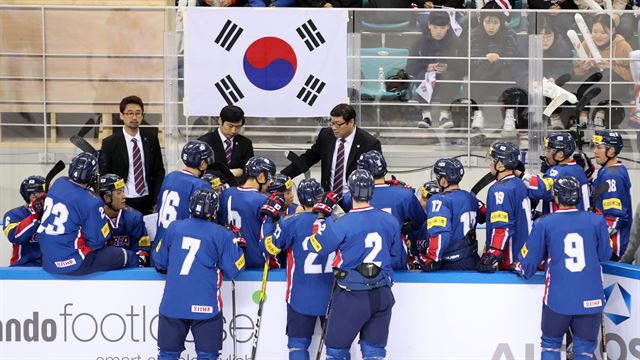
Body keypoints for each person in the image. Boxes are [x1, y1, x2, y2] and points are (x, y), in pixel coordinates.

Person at [513, 176, 612, 360]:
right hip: (591, 298)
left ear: (556, 197)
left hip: (557, 298)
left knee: (550, 347)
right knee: (584, 350)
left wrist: (519, 268)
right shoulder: (597, 221)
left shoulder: (545, 223)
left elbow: (527, 264)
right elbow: (605, 255)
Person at [307, 169, 401, 360]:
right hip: (382, 294)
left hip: (351, 297)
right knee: (374, 354)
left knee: (336, 353)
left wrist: (320, 218)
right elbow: (396, 256)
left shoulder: (342, 222)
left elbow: (315, 246)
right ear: (371, 192)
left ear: (350, 191)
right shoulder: (390, 221)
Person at [154, 188, 245, 360]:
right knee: (207, 356)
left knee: (167, 355)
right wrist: (238, 248)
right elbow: (234, 270)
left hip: (173, 304)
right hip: (206, 306)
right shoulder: (222, 234)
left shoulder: (174, 228)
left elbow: (159, 260)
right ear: (214, 210)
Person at [259, 178, 334, 360]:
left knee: (298, 346)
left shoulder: (290, 223)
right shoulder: (335, 222)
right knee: (336, 348)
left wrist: (269, 218)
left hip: (300, 294)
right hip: (332, 296)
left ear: (300, 198)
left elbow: (269, 248)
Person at [38, 152, 141, 275]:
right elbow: (98, 242)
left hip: (47, 261)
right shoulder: (92, 201)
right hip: (73, 263)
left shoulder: (58, 183)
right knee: (126, 255)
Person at [343, 150, 426, 269]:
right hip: (394, 256)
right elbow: (421, 222)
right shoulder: (404, 194)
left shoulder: (350, 197)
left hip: (361, 258)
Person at [281, 103, 382, 194]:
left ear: (351, 122)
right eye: (332, 123)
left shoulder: (369, 143)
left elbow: (377, 175)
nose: (334, 128)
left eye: (338, 124)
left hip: (354, 198)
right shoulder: (326, 135)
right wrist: (283, 176)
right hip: (328, 197)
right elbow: (308, 158)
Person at [100, 95, 165, 215]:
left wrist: (156, 199)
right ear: (121, 116)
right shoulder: (110, 143)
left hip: (147, 200)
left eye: (138, 113)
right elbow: (104, 174)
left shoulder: (151, 138)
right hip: (122, 201)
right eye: (130, 113)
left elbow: (158, 171)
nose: (134, 117)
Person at [420, 158, 486, 271]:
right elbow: (486, 215)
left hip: (451, 264)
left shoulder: (439, 200)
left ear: (444, 181)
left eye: (438, 177)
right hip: (473, 260)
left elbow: (439, 232)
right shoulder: (472, 198)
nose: (436, 180)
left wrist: (432, 257)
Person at [477, 141, 532, 272]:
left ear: (501, 165)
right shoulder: (519, 183)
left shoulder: (500, 189)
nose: (489, 163)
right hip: (524, 256)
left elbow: (502, 225)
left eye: (491, 159)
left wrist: (494, 252)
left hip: (512, 261)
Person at [153, 140, 213, 260]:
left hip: (159, 247)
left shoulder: (170, 176)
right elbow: (201, 226)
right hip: (180, 250)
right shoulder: (200, 186)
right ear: (202, 163)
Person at [406, 11, 465, 128]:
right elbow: (410, 68)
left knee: (450, 75)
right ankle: (426, 116)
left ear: (448, 26)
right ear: (429, 25)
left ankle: (444, 116)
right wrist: (426, 67)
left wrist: (449, 66)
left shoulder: (457, 43)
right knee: (422, 75)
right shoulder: (419, 42)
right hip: (427, 80)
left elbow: (465, 66)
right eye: (435, 27)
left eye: (442, 27)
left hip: (448, 81)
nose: (438, 31)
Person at [217, 156, 278, 269]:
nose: (269, 183)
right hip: (254, 262)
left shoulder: (226, 194)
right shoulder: (262, 200)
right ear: (261, 176)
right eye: (269, 179)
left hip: (229, 261)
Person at [573, 14, 633, 129]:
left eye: (603, 32)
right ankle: (583, 113)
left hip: (616, 87)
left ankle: (600, 112)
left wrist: (611, 66)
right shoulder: (586, 44)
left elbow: (632, 76)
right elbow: (575, 73)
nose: (598, 36)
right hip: (593, 85)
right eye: (595, 32)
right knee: (590, 76)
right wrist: (583, 68)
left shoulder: (623, 46)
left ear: (613, 31)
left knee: (606, 74)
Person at [469, 1, 518, 132]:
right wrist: (485, 59)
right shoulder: (474, 33)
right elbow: (471, 58)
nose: (491, 27)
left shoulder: (509, 33)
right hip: (482, 72)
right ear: (482, 22)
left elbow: (513, 57)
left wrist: (498, 59)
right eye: (488, 22)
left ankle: (509, 115)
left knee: (507, 74)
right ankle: (478, 113)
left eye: (495, 23)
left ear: (501, 22)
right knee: (475, 74)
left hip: (502, 72)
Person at [525, 132, 591, 214]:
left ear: (560, 154)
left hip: (563, 223)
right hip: (580, 218)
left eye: (549, 150)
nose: (546, 154)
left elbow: (539, 191)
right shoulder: (577, 168)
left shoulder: (560, 171)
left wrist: (521, 175)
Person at [591, 130, 632, 260]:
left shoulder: (612, 175)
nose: (595, 151)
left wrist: (595, 237)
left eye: (599, 147)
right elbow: (598, 194)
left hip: (613, 248)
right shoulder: (609, 170)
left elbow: (615, 218)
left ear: (611, 151)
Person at [99, 173, 151, 267]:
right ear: (107, 197)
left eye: (123, 191)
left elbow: (142, 247)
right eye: (119, 193)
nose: (124, 196)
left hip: (129, 268)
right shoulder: (95, 219)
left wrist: (139, 259)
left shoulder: (134, 217)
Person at [198, 105, 254, 184]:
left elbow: (248, 173)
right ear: (220, 121)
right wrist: (229, 173)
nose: (234, 130)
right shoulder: (205, 142)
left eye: (238, 127)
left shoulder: (245, 143)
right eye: (230, 126)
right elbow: (202, 172)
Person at [3, 176, 46, 266]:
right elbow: (15, 237)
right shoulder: (13, 215)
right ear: (32, 196)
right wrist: (36, 215)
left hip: (48, 269)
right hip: (21, 268)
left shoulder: (52, 214)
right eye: (41, 193)